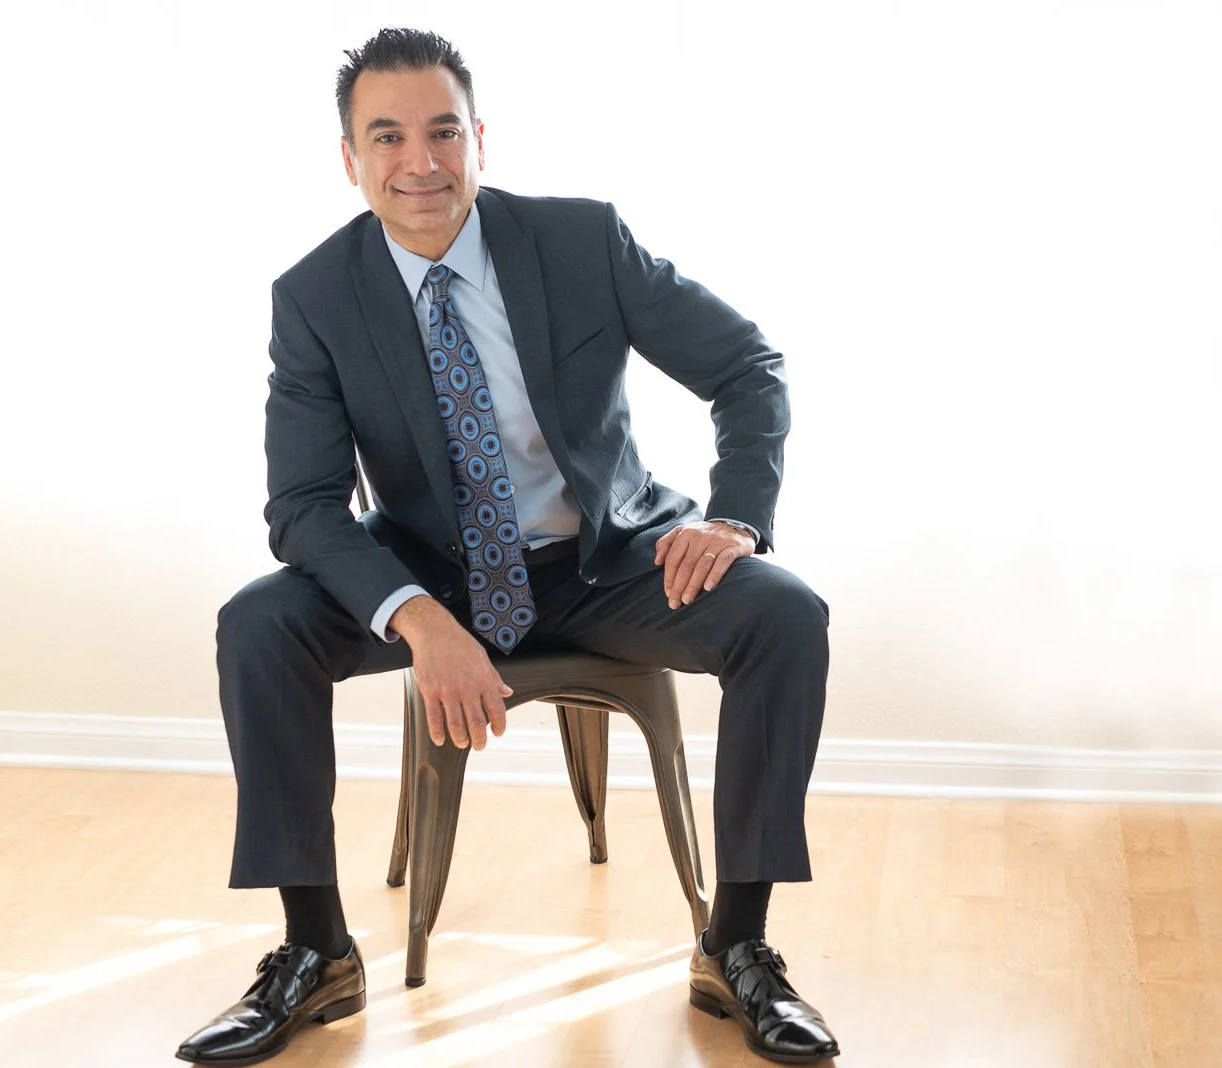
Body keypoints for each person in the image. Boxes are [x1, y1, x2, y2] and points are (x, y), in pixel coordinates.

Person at [175, 26, 840, 1067]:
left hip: (607, 562)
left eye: (443, 131)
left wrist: (734, 517)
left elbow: (748, 366)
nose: (420, 162)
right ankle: (315, 950)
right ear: (349, 159)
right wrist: (420, 617)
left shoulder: (579, 242)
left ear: (479, 139)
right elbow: (303, 506)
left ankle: (738, 946)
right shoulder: (314, 297)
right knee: (258, 624)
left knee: (784, 614)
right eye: (386, 137)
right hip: (428, 571)